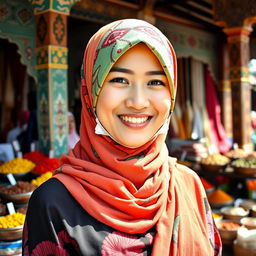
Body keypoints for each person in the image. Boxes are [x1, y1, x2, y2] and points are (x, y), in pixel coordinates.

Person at [23, 19, 222, 255]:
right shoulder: (52, 204)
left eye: (156, 82)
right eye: (119, 80)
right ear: (91, 92)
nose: (138, 102)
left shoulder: (188, 185)